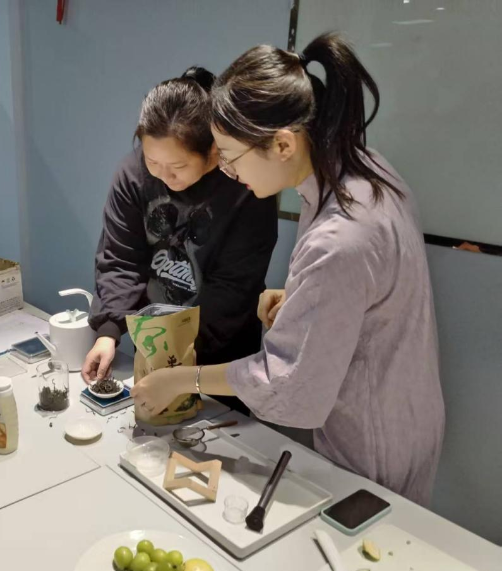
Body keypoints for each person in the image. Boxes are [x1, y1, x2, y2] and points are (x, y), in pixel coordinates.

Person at [131, 33, 445, 505]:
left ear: (282, 144)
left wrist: (182, 379)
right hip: (406, 404)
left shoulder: (342, 237)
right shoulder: (361, 167)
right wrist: (302, 299)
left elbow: (291, 385)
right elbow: (366, 291)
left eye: (233, 160)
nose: (231, 176)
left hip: (374, 432)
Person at [83, 66, 278, 414]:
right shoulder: (133, 176)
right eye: (152, 161)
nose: (162, 175)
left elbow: (234, 290)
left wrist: (175, 364)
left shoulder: (246, 191)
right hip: (152, 350)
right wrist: (108, 332)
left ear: (213, 154)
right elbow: (120, 259)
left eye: (177, 166)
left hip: (217, 362)